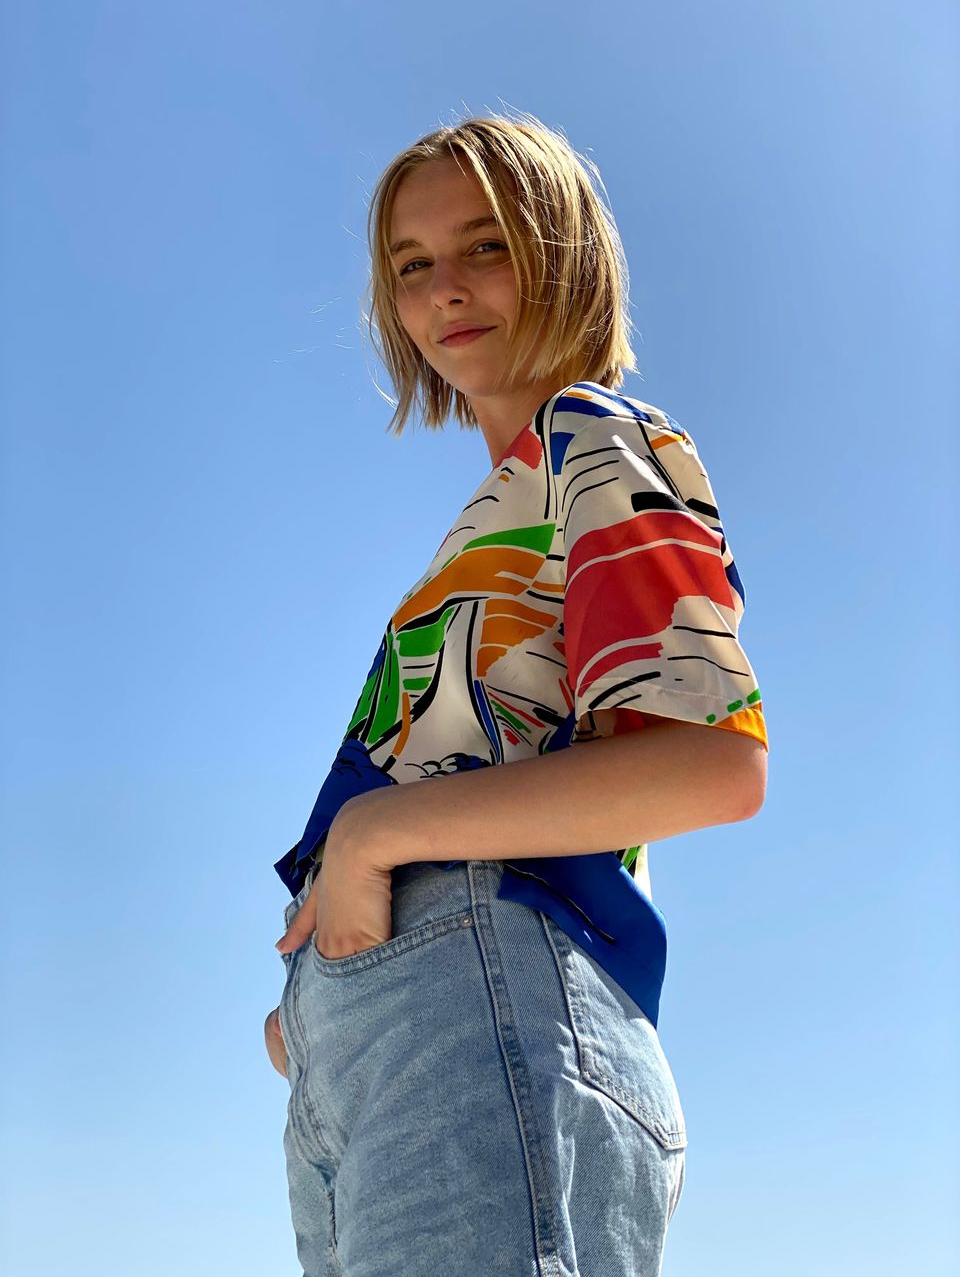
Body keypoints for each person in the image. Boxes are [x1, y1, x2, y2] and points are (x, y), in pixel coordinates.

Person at [264, 110, 768, 1277]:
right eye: (412, 265)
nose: (448, 288)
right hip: (394, 1035)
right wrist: (315, 1011)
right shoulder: (503, 508)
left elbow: (712, 759)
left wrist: (377, 835)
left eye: (486, 245)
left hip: (482, 991)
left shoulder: (595, 438)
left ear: (564, 253)